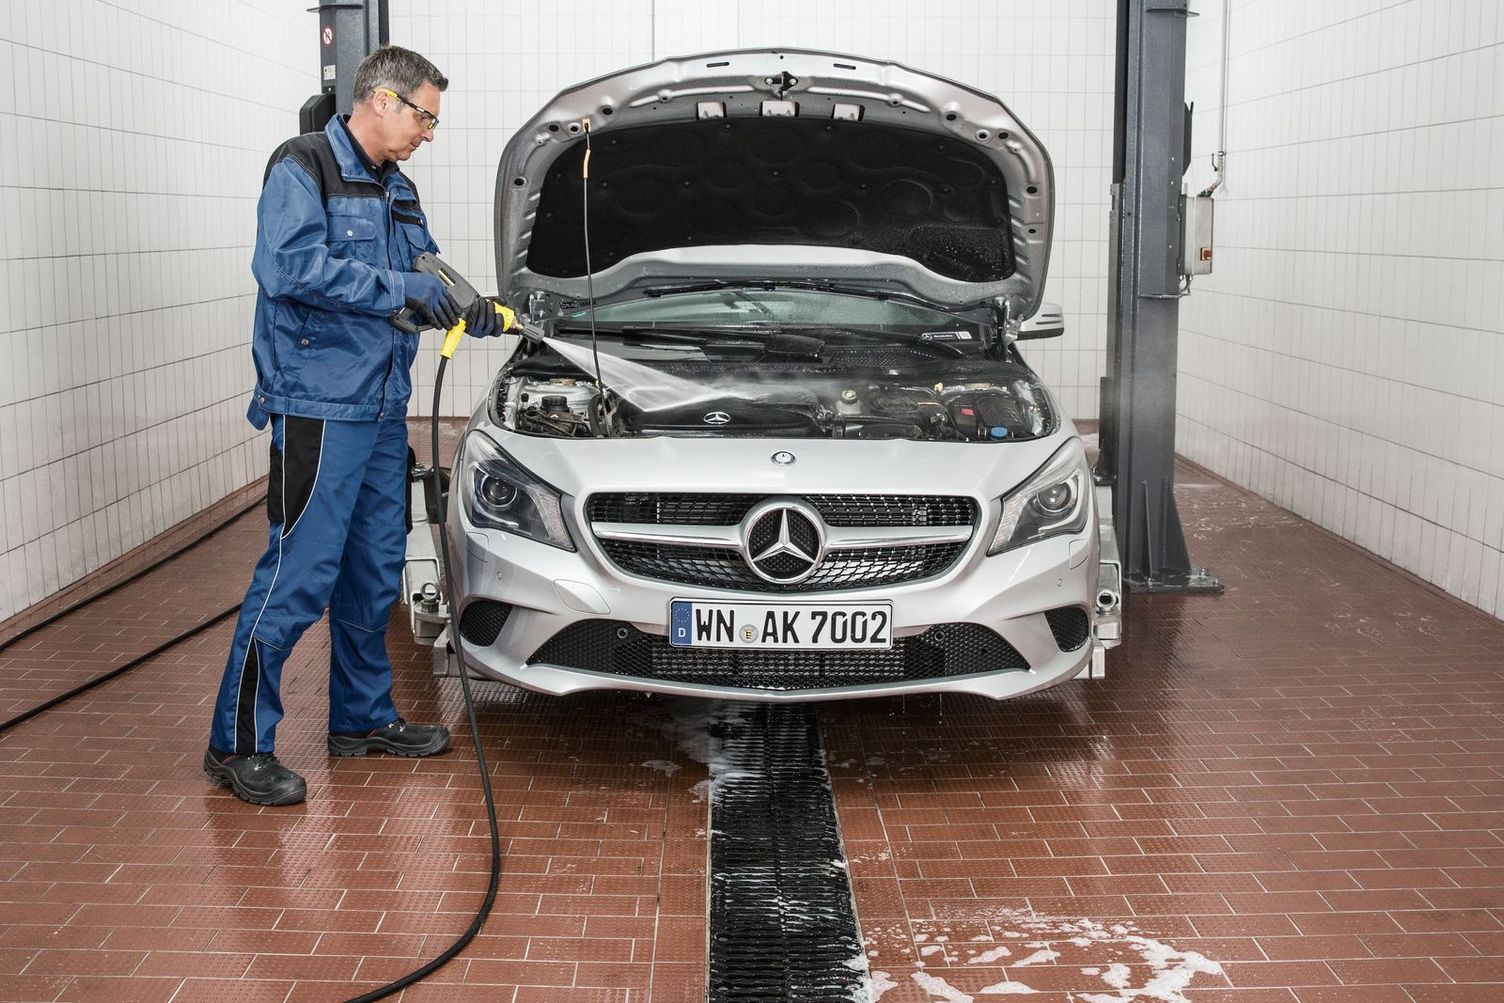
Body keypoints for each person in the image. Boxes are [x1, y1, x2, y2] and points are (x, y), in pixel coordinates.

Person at [204, 45, 503, 805]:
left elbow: (423, 268)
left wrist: (469, 301)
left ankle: (362, 718)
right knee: (299, 575)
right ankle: (237, 745)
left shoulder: (398, 186)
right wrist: (399, 287)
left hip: (379, 408)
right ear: (383, 101)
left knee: (374, 572)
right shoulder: (303, 165)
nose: (429, 133)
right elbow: (289, 267)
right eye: (426, 117)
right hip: (319, 405)